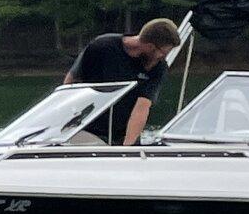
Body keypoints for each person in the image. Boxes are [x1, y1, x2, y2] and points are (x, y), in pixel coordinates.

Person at [62, 17, 182, 145]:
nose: (163, 58)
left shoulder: (158, 67)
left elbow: (142, 108)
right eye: (163, 53)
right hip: (86, 129)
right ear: (150, 46)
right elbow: (70, 84)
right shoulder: (102, 46)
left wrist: (128, 148)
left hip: (124, 134)